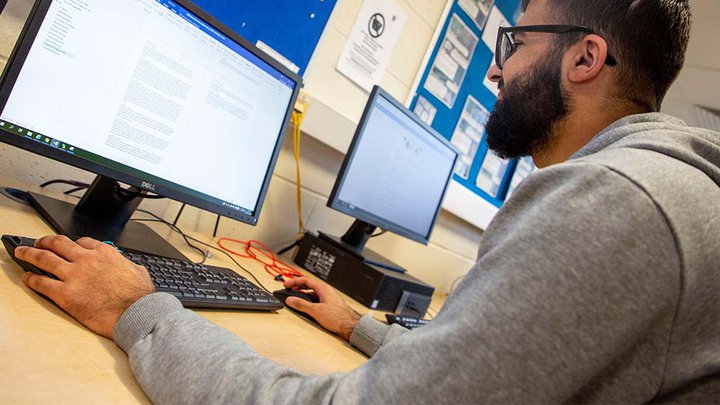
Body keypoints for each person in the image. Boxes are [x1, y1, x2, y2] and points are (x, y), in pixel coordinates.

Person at [13, 0, 720, 402]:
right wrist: (364, 328)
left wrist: (140, 312)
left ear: (585, 58)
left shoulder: (615, 204)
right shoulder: (660, 191)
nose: (499, 67)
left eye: (515, 41)